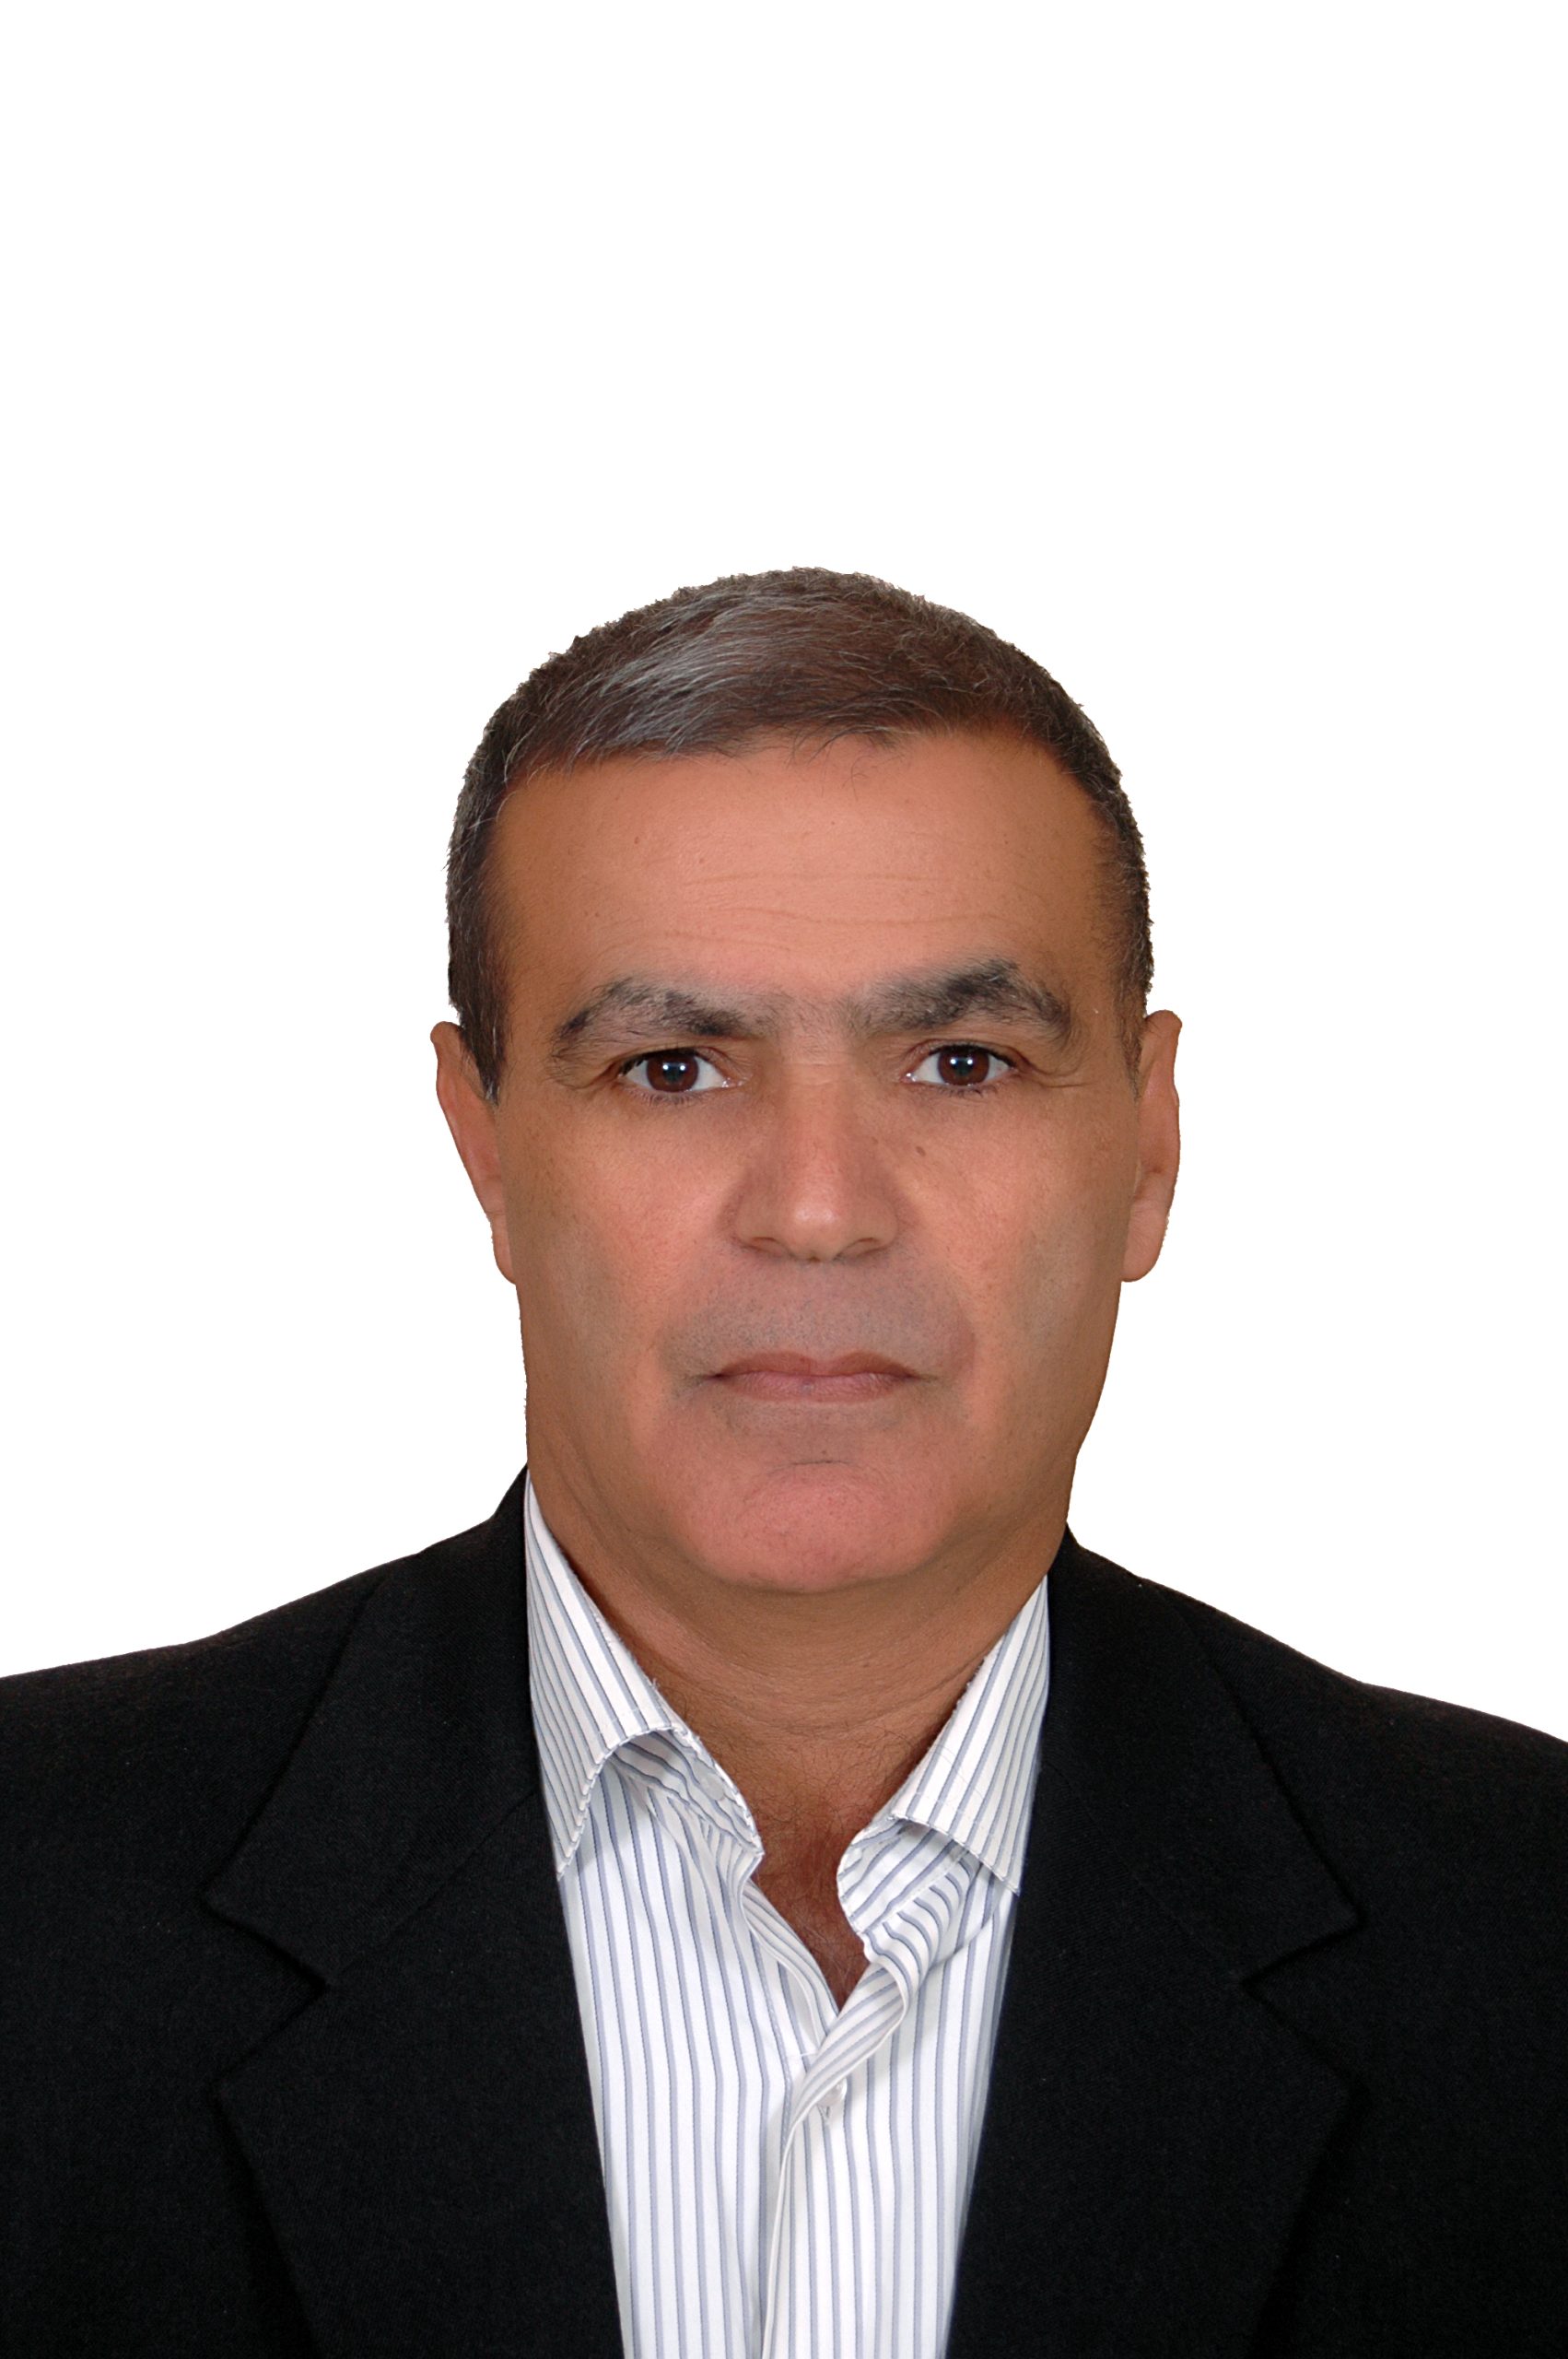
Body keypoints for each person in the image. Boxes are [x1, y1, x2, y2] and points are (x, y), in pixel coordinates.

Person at [2, 568, 1563, 2359]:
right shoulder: (35, 1905)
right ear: (485, 1149)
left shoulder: (1521, 1938)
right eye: (673, 1068)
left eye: (958, 1062)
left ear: (1145, 1147)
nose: (818, 1208)